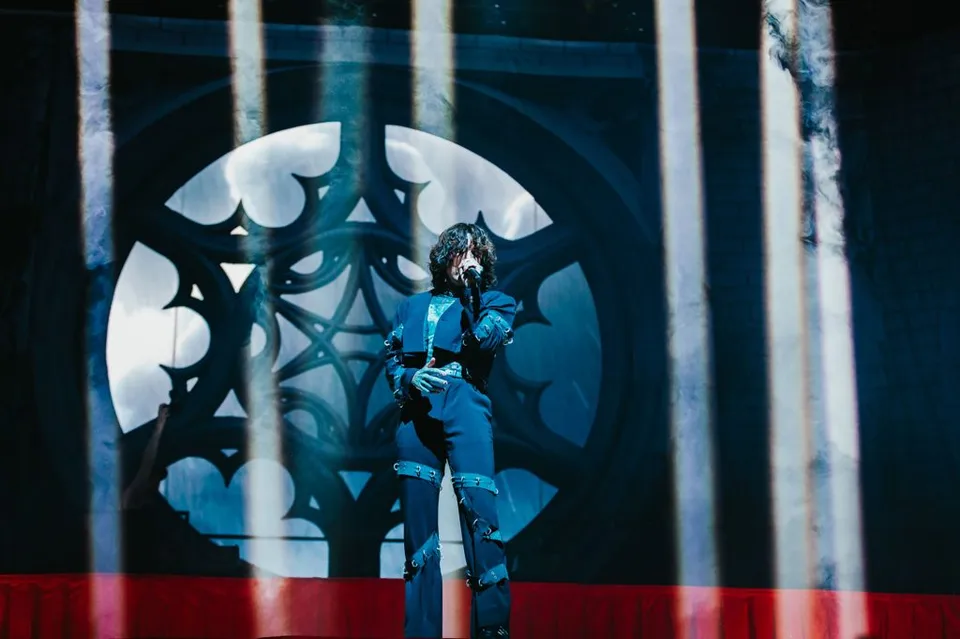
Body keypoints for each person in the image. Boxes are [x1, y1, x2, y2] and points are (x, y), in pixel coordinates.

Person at [384, 223, 517, 639]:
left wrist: (473, 291)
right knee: (419, 536)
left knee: (482, 523)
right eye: (461, 252)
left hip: (466, 410)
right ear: (445, 258)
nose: (468, 260)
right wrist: (411, 379)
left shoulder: (497, 303)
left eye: (476, 253)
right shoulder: (410, 307)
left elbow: (481, 340)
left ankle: (491, 631)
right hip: (418, 415)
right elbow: (391, 361)